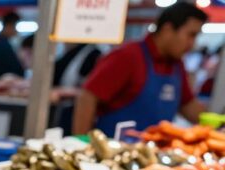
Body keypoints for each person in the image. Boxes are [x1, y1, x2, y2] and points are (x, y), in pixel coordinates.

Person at [73, 2, 207, 135]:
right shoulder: (128, 56)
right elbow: (88, 97)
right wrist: (81, 141)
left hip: (155, 151)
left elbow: (188, 106)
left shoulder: (177, 65)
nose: (192, 44)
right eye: (191, 35)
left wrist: (216, 122)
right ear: (167, 29)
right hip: (113, 150)